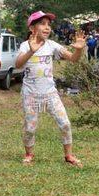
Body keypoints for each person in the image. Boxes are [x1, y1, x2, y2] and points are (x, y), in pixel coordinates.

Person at [15, 11, 85, 168]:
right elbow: (18, 64)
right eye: (42, 24)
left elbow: (73, 59)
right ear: (32, 28)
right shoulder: (25, 46)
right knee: (30, 128)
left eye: (49, 24)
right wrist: (31, 51)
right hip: (30, 95)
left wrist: (79, 49)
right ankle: (29, 154)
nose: (47, 27)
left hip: (50, 94)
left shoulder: (52, 45)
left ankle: (68, 155)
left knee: (65, 123)